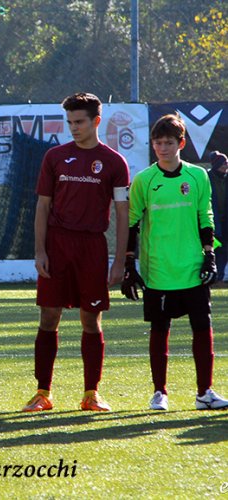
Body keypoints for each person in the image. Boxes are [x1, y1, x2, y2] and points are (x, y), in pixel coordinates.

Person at [23, 92, 130, 413]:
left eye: (79, 122)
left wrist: (120, 259)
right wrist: (40, 250)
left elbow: (123, 214)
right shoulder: (54, 157)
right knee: (49, 315)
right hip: (57, 245)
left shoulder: (114, 162)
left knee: (90, 319)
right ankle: (43, 392)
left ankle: (91, 394)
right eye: (69, 122)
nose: (74, 128)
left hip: (92, 247)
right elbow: (42, 206)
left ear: (96, 121)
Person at [122, 114, 228, 411]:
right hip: (159, 269)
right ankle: (159, 393)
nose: (163, 148)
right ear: (152, 145)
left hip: (193, 266)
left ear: (181, 143)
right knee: (159, 328)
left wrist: (209, 253)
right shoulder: (144, 180)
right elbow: (132, 223)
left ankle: (205, 392)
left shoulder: (198, 176)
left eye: (169, 142)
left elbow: (204, 216)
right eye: (158, 143)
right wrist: (130, 265)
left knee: (203, 326)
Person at [208, 151, 228, 281]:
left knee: (225, 250)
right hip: (212, 220)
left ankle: (220, 276)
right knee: (215, 249)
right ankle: (213, 275)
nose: (226, 165)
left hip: (226, 221)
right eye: (223, 163)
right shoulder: (207, 178)